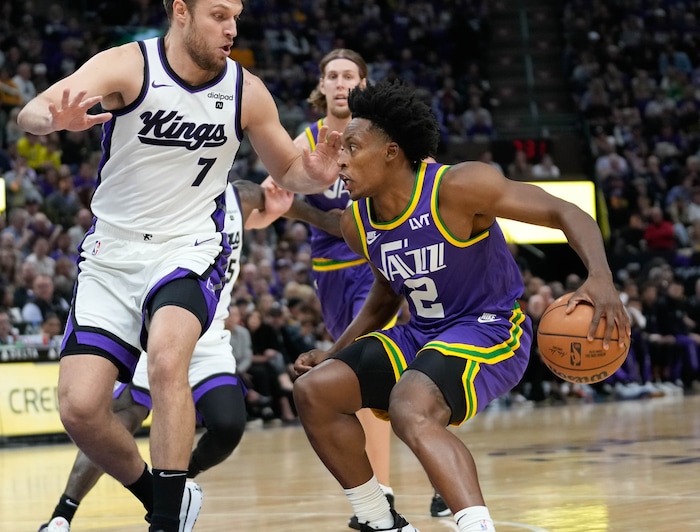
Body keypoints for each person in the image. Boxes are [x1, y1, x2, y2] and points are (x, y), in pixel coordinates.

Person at [16, 1, 340, 530]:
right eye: (219, 14)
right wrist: (53, 120)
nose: (232, 27)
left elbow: (289, 170)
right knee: (79, 409)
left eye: (236, 15)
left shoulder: (246, 90)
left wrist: (316, 173)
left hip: (189, 246)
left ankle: (164, 521)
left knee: (168, 359)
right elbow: (34, 110)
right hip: (113, 254)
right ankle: (160, 495)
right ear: (182, 12)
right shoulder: (128, 65)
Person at [292, 80, 631, 532]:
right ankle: (380, 520)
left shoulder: (458, 186)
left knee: (410, 405)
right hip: (421, 334)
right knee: (315, 390)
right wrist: (334, 353)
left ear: (392, 151)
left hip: (492, 327)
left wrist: (601, 278)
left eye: (352, 147)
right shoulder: (357, 222)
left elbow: (565, 212)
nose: (340, 160)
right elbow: (387, 295)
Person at [251, 48, 449, 527]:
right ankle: (391, 490)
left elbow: (429, 185)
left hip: (391, 261)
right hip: (336, 273)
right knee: (366, 385)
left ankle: (398, 492)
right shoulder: (305, 142)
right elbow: (265, 209)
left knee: (413, 372)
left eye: (349, 76)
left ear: (363, 82)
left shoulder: (386, 135)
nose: (340, 84)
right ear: (321, 86)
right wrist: (275, 210)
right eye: (332, 76)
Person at [38, 179, 294, 532]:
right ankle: (62, 514)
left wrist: (308, 202)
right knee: (116, 417)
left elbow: (286, 198)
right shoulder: (168, 192)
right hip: (161, 317)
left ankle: (176, 483)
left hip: (208, 329)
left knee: (229, 426)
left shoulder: (241, 196)